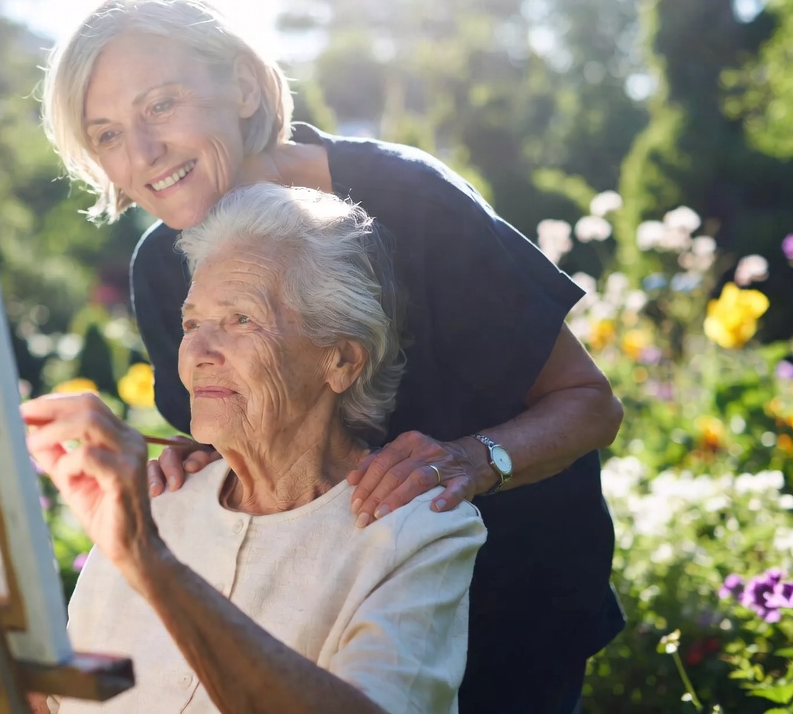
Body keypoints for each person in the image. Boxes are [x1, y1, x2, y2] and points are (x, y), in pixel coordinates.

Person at [40, 0, 624, 713]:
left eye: (161, 106)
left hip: (511, 600)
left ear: (244, 86)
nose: (142, 152)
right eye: (106, 134)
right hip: (325, 624)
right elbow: (241, 433)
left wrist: (474, 460)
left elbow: (589, 403)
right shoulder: (162, 267)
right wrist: (190, 458)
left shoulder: (411, 199)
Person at [24, 183, 486, 713]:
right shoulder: (155, 499)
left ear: (340, 360)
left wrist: (149, 561)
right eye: (191, 323)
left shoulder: (416, 530)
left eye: (241, 319)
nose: (197, 351)